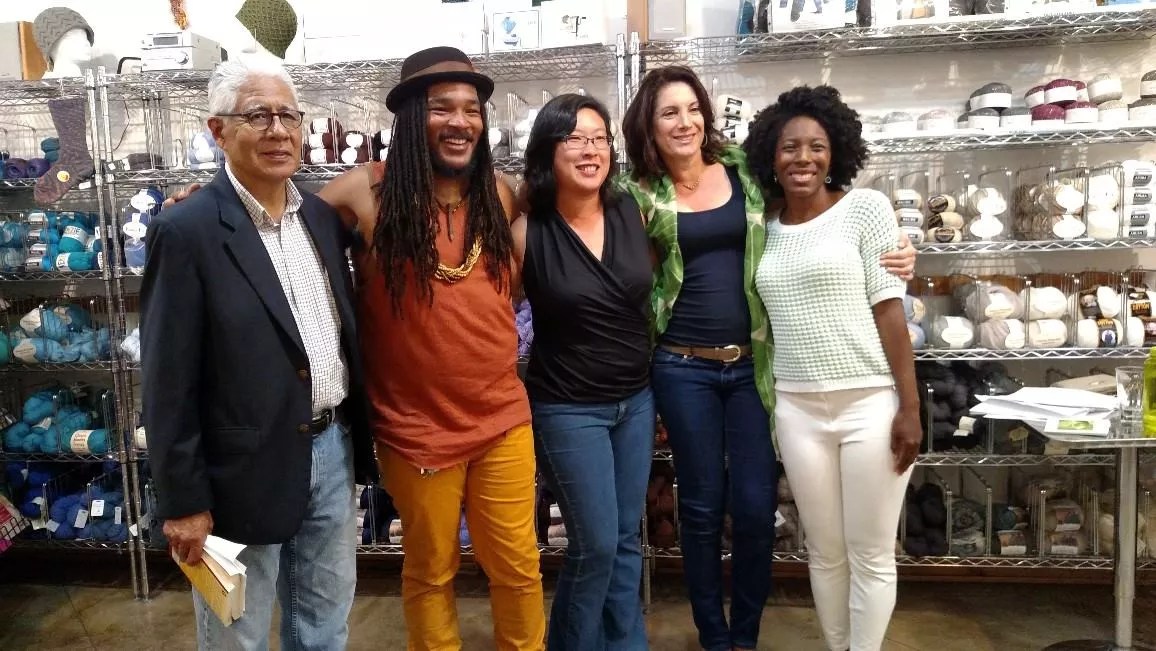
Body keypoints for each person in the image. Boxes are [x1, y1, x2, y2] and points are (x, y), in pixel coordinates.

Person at [165, 46, 545, 650]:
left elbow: (561, 221)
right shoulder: (362, 193)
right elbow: (269, 215)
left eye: (472, 109)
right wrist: (206, 203)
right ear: (411, 117)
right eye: (441, 107)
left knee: (519, 569)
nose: (460, 121)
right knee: (430, 572)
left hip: (501, 421)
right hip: (415, 431)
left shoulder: (502, 194)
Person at [618, 65, 915, 651]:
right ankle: (714, 635)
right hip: (682, 367)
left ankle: (746, 636)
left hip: (752, 365)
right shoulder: (637, 194)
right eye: (668, 112)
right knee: (701, 507)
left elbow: (820, 218)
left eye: (692, 108)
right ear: (648, 127)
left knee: (755, 508)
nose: (684, 122)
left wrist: (904, 250)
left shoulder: (744, 173)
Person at [140, 56, 376, 650]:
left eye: (288, 116)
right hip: (237, 471)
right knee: (235, 636)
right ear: (218, 131)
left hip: (331, 451)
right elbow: (167, 380)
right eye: (257, 116)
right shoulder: (187, 230)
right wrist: (184, 502)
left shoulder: (320, 218)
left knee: (324, 626)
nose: (278, 130)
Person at [745, 85, 922, 651]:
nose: (803, 158)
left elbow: (890, 312)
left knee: (870, 553)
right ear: (771, 156)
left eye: (817, 147)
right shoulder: (763, 224)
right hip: (796, 407)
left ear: (835, 152)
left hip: (869, 402)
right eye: (790, 147)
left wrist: (911, 408)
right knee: (823, 552)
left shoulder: (865, 209)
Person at [513, 93, 653, 649]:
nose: (591, 150)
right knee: (595, 544)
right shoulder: (527, 233)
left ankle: (626, 644)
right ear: (549, 150)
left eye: (599, 138)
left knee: (624, 539)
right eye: (574, 139)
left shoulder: (630, 210)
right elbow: (492, 315)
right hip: (568, 407)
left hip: (636, 401)